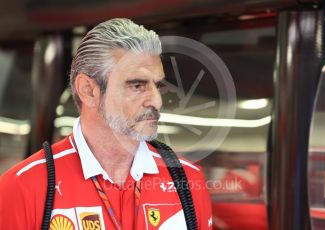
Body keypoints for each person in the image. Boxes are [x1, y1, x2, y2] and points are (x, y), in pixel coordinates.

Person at [0, 18, 212, 229]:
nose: (156, 100)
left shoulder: (186, 180)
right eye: (137, 85)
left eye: (157, 85)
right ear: (88, 90)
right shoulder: (23, 187)